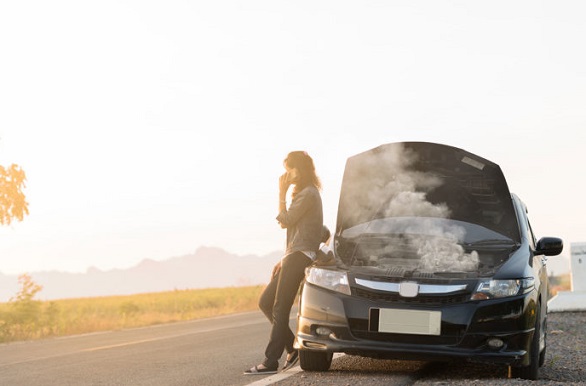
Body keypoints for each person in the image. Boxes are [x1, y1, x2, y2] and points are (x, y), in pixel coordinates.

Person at [244, 151, 323, 375]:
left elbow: (285, 221)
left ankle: (270, 361)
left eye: (291, 169)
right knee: (266, 302)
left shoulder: (308, 193)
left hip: (299, 256)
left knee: (280, 306)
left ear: (302, 169)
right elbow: (297, 229)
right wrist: (284, 258)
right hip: (293, 255)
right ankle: (292, 347)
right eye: (286, 169)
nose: (287, 174)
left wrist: (281, 193)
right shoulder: (304, 194)